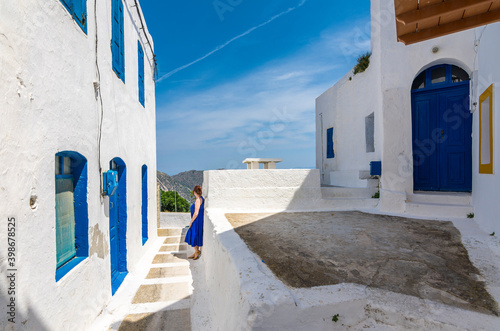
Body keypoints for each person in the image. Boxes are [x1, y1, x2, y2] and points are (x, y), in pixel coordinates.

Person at [185, 185, 204, 260]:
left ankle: (196, 252)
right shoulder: (201, 199)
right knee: (195, 235)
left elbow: (196, 213)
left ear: (194, 192)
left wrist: (191, 222)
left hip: (196, 221)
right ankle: (196, 251)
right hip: (199, 221)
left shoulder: (198, 200)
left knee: (191, 235)